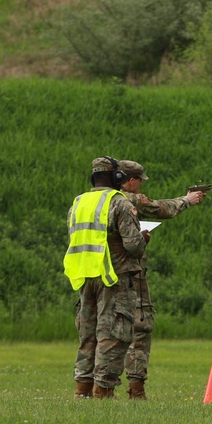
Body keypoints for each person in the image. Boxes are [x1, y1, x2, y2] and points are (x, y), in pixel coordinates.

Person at [117, 159, 206, 400]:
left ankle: (97, 388)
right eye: (138, 181)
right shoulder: (127, 199)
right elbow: (160, 209)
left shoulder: (91, 201)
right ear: (131, 181)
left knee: (103, 328)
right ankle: (136, 390)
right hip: (129, 273)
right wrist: (187, 200)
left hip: (97, 272)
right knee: (140, 325)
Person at [64, 156, 148, 399]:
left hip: (84, 275)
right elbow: (134, 246)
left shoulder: (78, 203)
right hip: (112, 277)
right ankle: (103, 391)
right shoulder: (118, 203)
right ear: (117, 178)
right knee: (112, 335)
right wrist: (144, 239)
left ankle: (82, 390)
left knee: (87, 336)